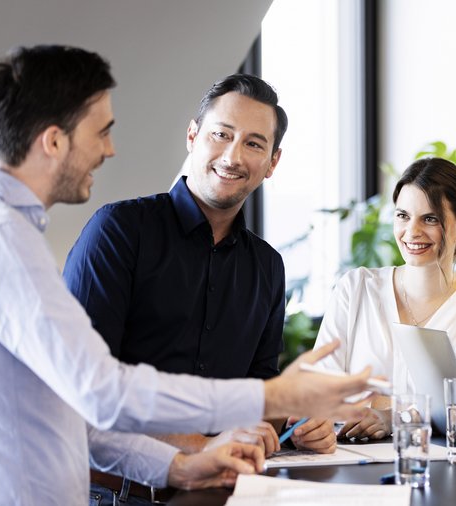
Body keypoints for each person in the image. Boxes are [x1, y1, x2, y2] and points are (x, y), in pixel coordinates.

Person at [0, 45, 372, 505]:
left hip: (207, 484)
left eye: (254, 142)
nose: (110, 149)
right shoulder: (18, 239)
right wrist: (266, 399)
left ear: (273, 161)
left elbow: (82, 405)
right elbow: (102, 393)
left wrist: (191, 462)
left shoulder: (19, 235)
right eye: (102, 132)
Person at [61, 74, 334, 503]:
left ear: (272, 162)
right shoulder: (119, 231)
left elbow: (257, 388)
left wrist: (296, 422)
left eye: (253, 144)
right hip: (115, 493)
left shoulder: (267, 267)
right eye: (221, 135)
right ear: (193, 136)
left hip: (223, 490)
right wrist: (197, 444)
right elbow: (82, 390)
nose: (233, 155)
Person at [312, 157, 456, 439]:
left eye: (430, 218)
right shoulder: (356, 288)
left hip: (439, 470)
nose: (412, 232)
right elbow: (322, 389)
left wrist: (392, 415)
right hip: (346, 458)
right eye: (403, 216)